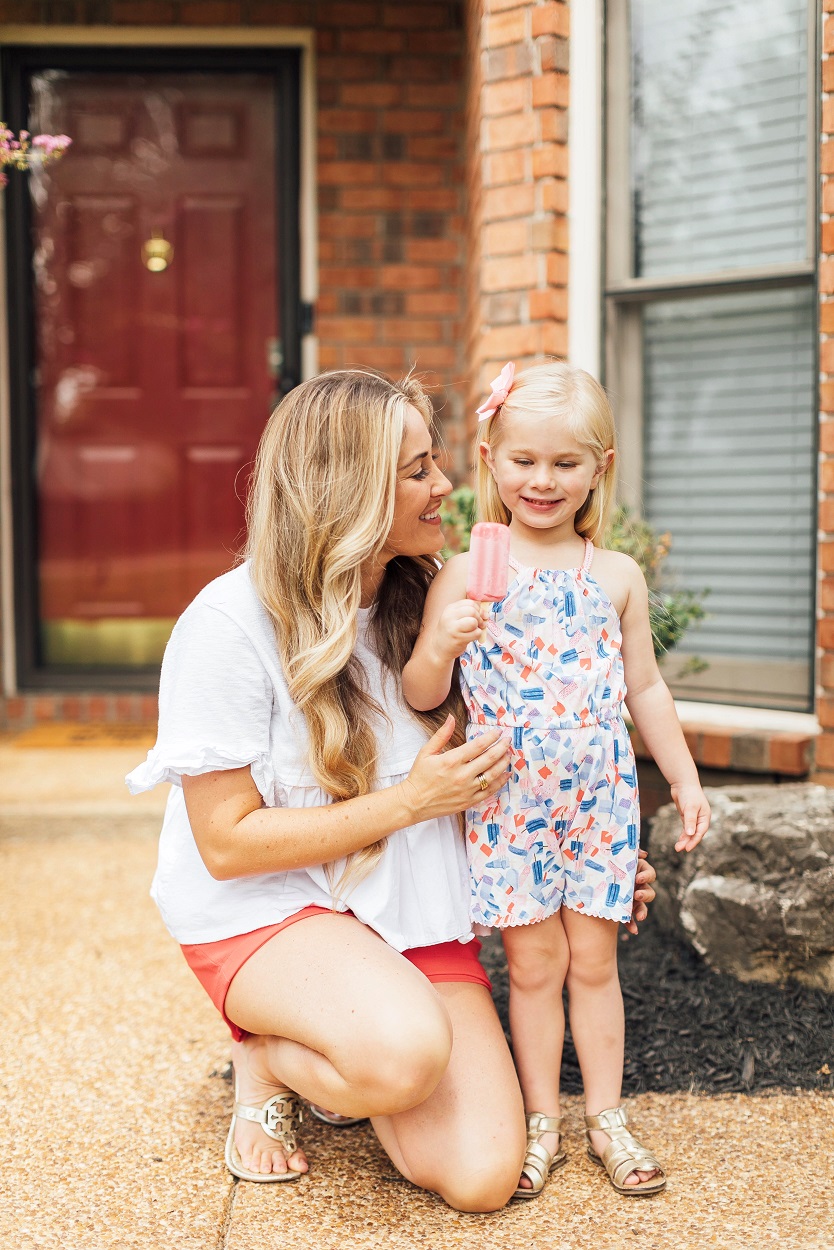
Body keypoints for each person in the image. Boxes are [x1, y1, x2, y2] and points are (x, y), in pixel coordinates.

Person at [127, 368, 658, 1213]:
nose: (448, 484)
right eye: (418, 470)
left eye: (438, 460)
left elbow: (539, 750)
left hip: (403, 907)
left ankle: (358, 1037)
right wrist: (409, 801)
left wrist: (588, 865)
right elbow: (225, 844)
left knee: (482, 1176)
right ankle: (267, 1054)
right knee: (402, 1057)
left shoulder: (439, 600)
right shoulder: (228, 626)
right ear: (348, 488)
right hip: (274, 909)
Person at [402, 361, 710, 1200]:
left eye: (565, 464)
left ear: (598, 469)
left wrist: (681, 777)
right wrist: (444, 642)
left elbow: (645, 688)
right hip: (509, 801)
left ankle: (606, 1116)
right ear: (491, 460)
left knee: (595, 964)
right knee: (533, 966)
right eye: (524, 460)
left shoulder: (614, 576)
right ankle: (542, 1122)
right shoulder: (465, 575)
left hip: (600, 798)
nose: (542, 480)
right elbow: (425, 694)